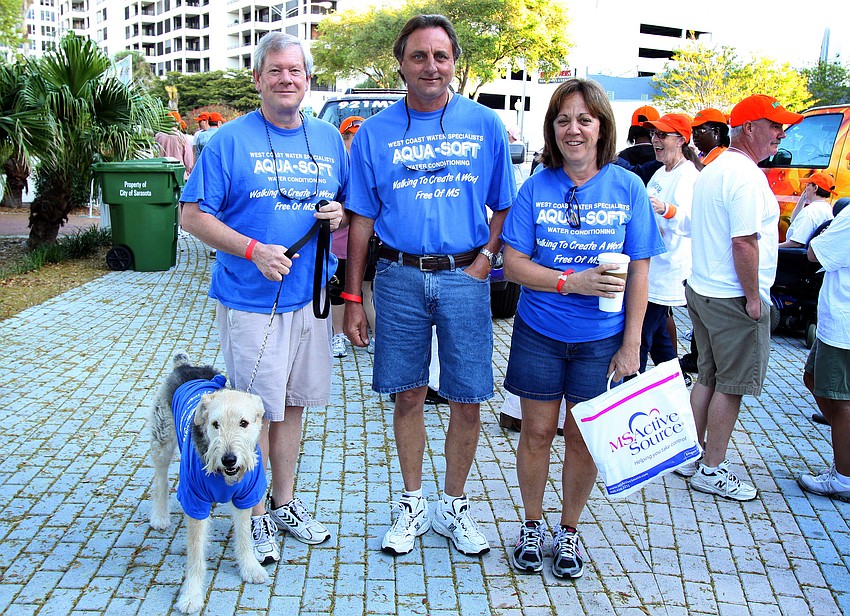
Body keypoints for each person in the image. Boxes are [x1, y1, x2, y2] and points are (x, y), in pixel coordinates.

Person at [343, 14, 516, 558]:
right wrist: (354, 296)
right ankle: (413, 503)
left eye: (440, 56)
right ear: (401, 63)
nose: (431, 66)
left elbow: (506, 201)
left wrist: (487, 258)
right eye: (419, 56)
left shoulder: (485, 124)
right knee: (408, 393)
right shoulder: (373, 134)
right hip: (397, 277)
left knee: (467, 398)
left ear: (453, 62)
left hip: (466, 275)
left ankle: (455, 505)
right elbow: (360, 220)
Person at [180, 32, 348, 564]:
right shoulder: (228, 141)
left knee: (292, 405)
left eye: (295, 70)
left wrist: (337, 216)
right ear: (258, 79)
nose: (286, 79)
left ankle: (282, 503)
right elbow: (191, 216)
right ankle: (251, 518)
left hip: (308, 299)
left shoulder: (327, 139)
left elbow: (341, 205)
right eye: (274, 70)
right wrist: (251, 249)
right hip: (252, 302)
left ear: (308, 78)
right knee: (255, 412)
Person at [501, 78, 664, 579]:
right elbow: (513, 265)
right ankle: (532, 523)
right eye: (563, 120)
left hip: (602, 341)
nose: (574, 129)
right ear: (552, 130)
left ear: (601, 128)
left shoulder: (628, 187)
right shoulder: (536, 187)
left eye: (584, 119)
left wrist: (633, 343)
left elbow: (640, 269)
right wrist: (573, 282)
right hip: (539, 332)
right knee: (537, 432)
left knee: (583, 437)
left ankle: (568, 531)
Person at [683, 94, 803, 501]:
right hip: (732, 296)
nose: (780, 135)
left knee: (708, 376)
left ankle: (688, 454)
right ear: (749, 128)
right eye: (774, 126)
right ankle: (711, 468)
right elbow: (744, 243)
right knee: (730, 385)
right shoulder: (746, 176)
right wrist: (754, 299)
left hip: (705, 290)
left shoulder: (715, 170)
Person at [637, 113, 701, 374]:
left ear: (681, 140)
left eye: (662, 135)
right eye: (654, 134)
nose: (655, 140)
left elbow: (691, 223)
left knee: (639, 336)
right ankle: (674, 381)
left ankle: (630, 386)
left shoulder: (689, 176)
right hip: (652, 267)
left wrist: (666, 209)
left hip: (667, 271)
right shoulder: (660, 172)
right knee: (660, 337)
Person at [796, 203, 850, 501]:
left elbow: (815, 252)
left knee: (839, 400)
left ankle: (844, 476)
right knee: (813, 378)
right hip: (837, 321)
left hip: (843, 324)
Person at [329, 116, 376, 357]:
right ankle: (338, 335)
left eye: (359, 137)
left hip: (366, 245)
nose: (354, 143)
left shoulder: (372, 163)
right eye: (350, 138)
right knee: (336, 294)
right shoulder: (338, 165)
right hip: (338, 245)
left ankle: (374, 336)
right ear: (344, 138)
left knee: (366, 291)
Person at [778, 171, 836, 248]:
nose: (805, 188)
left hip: (794, 255)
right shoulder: (828, 209)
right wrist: (802, 200)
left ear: (815, 188)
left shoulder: (810, 212)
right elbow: (793, 221)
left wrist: (774, 247)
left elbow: (797, 243)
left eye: (808, 185)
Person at [155, 111, 195, 180]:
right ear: (178, 122)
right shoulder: (181, 137)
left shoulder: (158, 136)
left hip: (161, 173)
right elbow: (188, 159)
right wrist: (188, 171)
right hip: (179, 174)